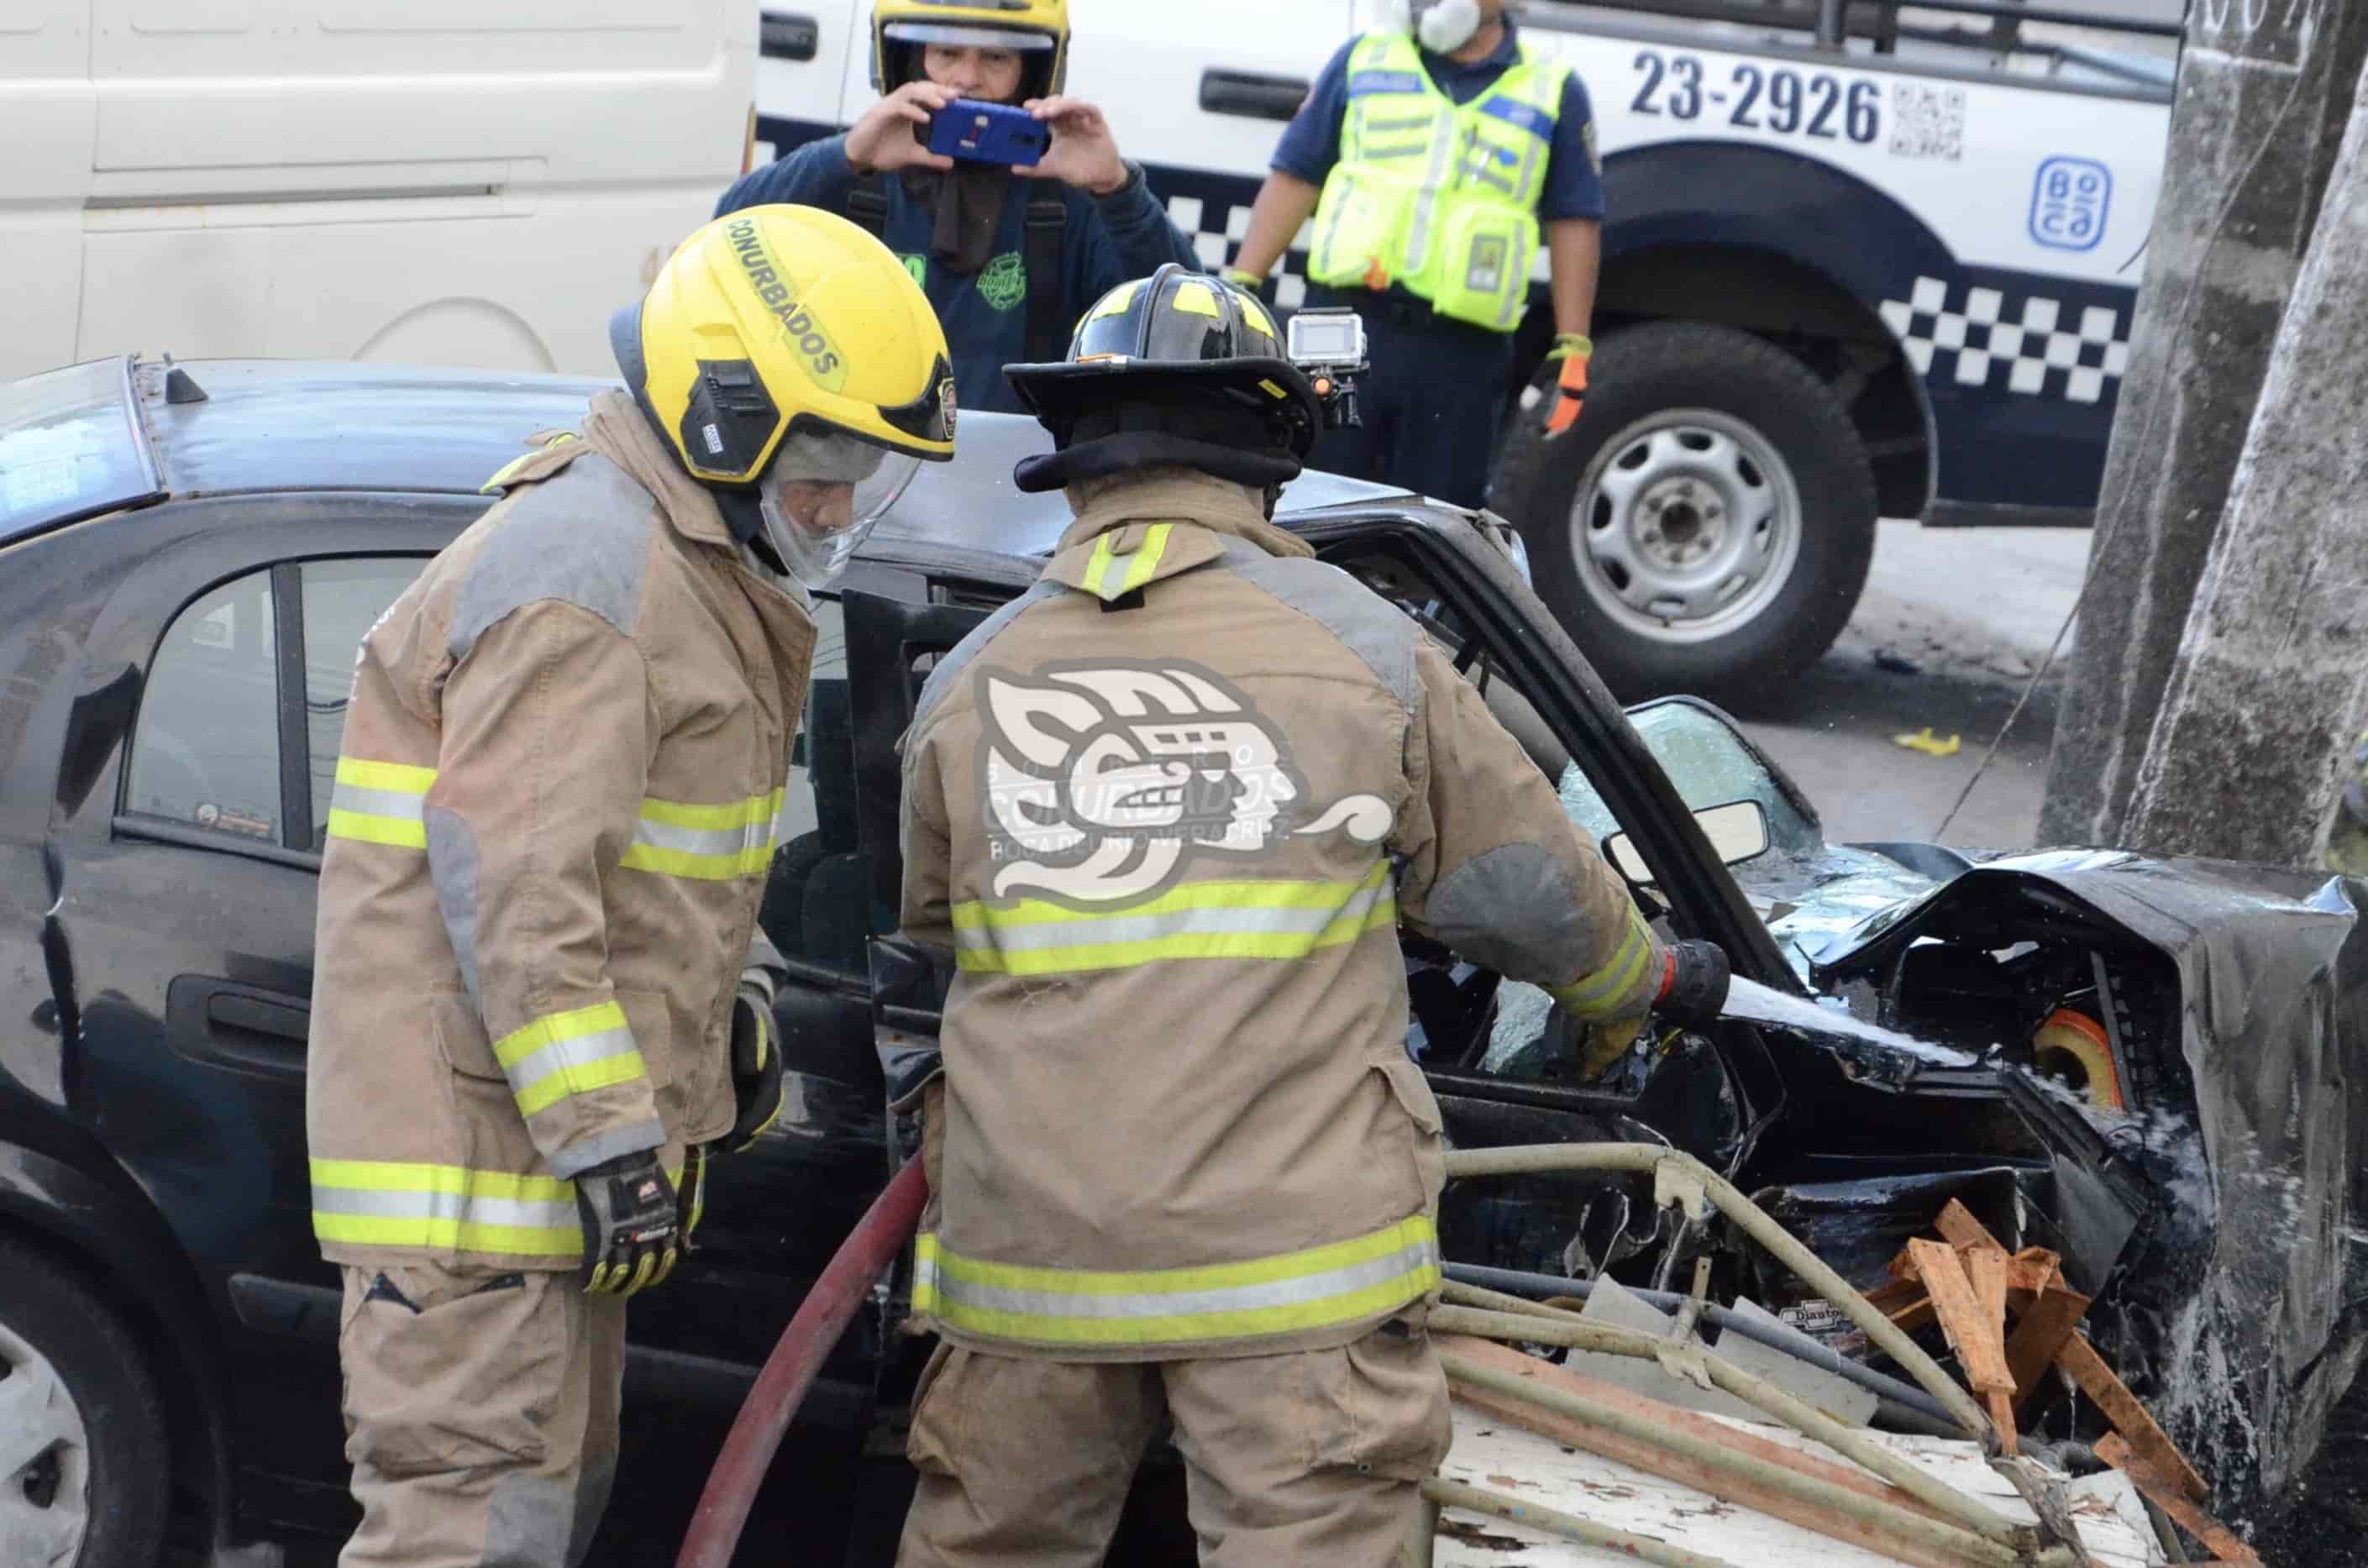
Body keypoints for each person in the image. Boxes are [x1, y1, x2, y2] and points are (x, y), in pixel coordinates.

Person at [890, 264, 1730, 1565]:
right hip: (1287, 1277)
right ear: (1274, 441)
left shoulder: (970, 679)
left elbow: (935, 944)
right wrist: (1644, 983)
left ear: (1076, 450)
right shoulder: (1367, 648)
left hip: (1029, 1269)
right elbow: (1525, 894)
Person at [305, 204, 955, 1568]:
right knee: (471, 1534)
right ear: (723, 416)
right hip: (483, 1190)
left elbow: (671, 869)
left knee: (537, 1517)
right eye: (827, 463)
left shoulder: (678, 562)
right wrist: (607, 1136)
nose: (836, 506)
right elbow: (524, 892)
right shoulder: (594, 576)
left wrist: (742, 1013)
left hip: (525, 1183)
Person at [712, 0, 1202, 420]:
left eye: (995, 57)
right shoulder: (857, 172)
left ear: (1032, 71)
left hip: (1008, 490)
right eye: (946, 53)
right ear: (908, 58)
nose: (968, 78)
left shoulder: (1065, 195)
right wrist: (844, 157)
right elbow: (724, 241)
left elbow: (1184, 321)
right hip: (859, 472)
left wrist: (1116, 190)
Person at [1226, 0, 1604, 510]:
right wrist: (1242, 286)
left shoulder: (1552, 87)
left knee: (1437, 520)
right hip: (1343, 330)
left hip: (1462, 352)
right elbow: (1297, 174)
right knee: (1312, 505)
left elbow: (1574, 218)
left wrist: (1573, 343)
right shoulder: (1366, 59)